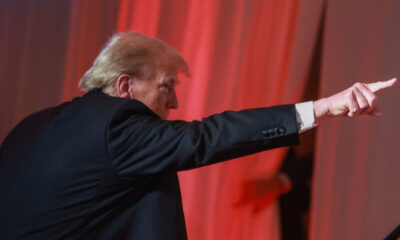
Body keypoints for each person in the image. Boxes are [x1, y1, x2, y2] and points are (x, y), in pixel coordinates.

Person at [0, 31, 396, 240]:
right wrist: (324, 107)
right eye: (166, 86)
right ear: (124, 86)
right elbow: (205, 137)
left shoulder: (27, 128)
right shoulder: (118, 126)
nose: (172, 103)